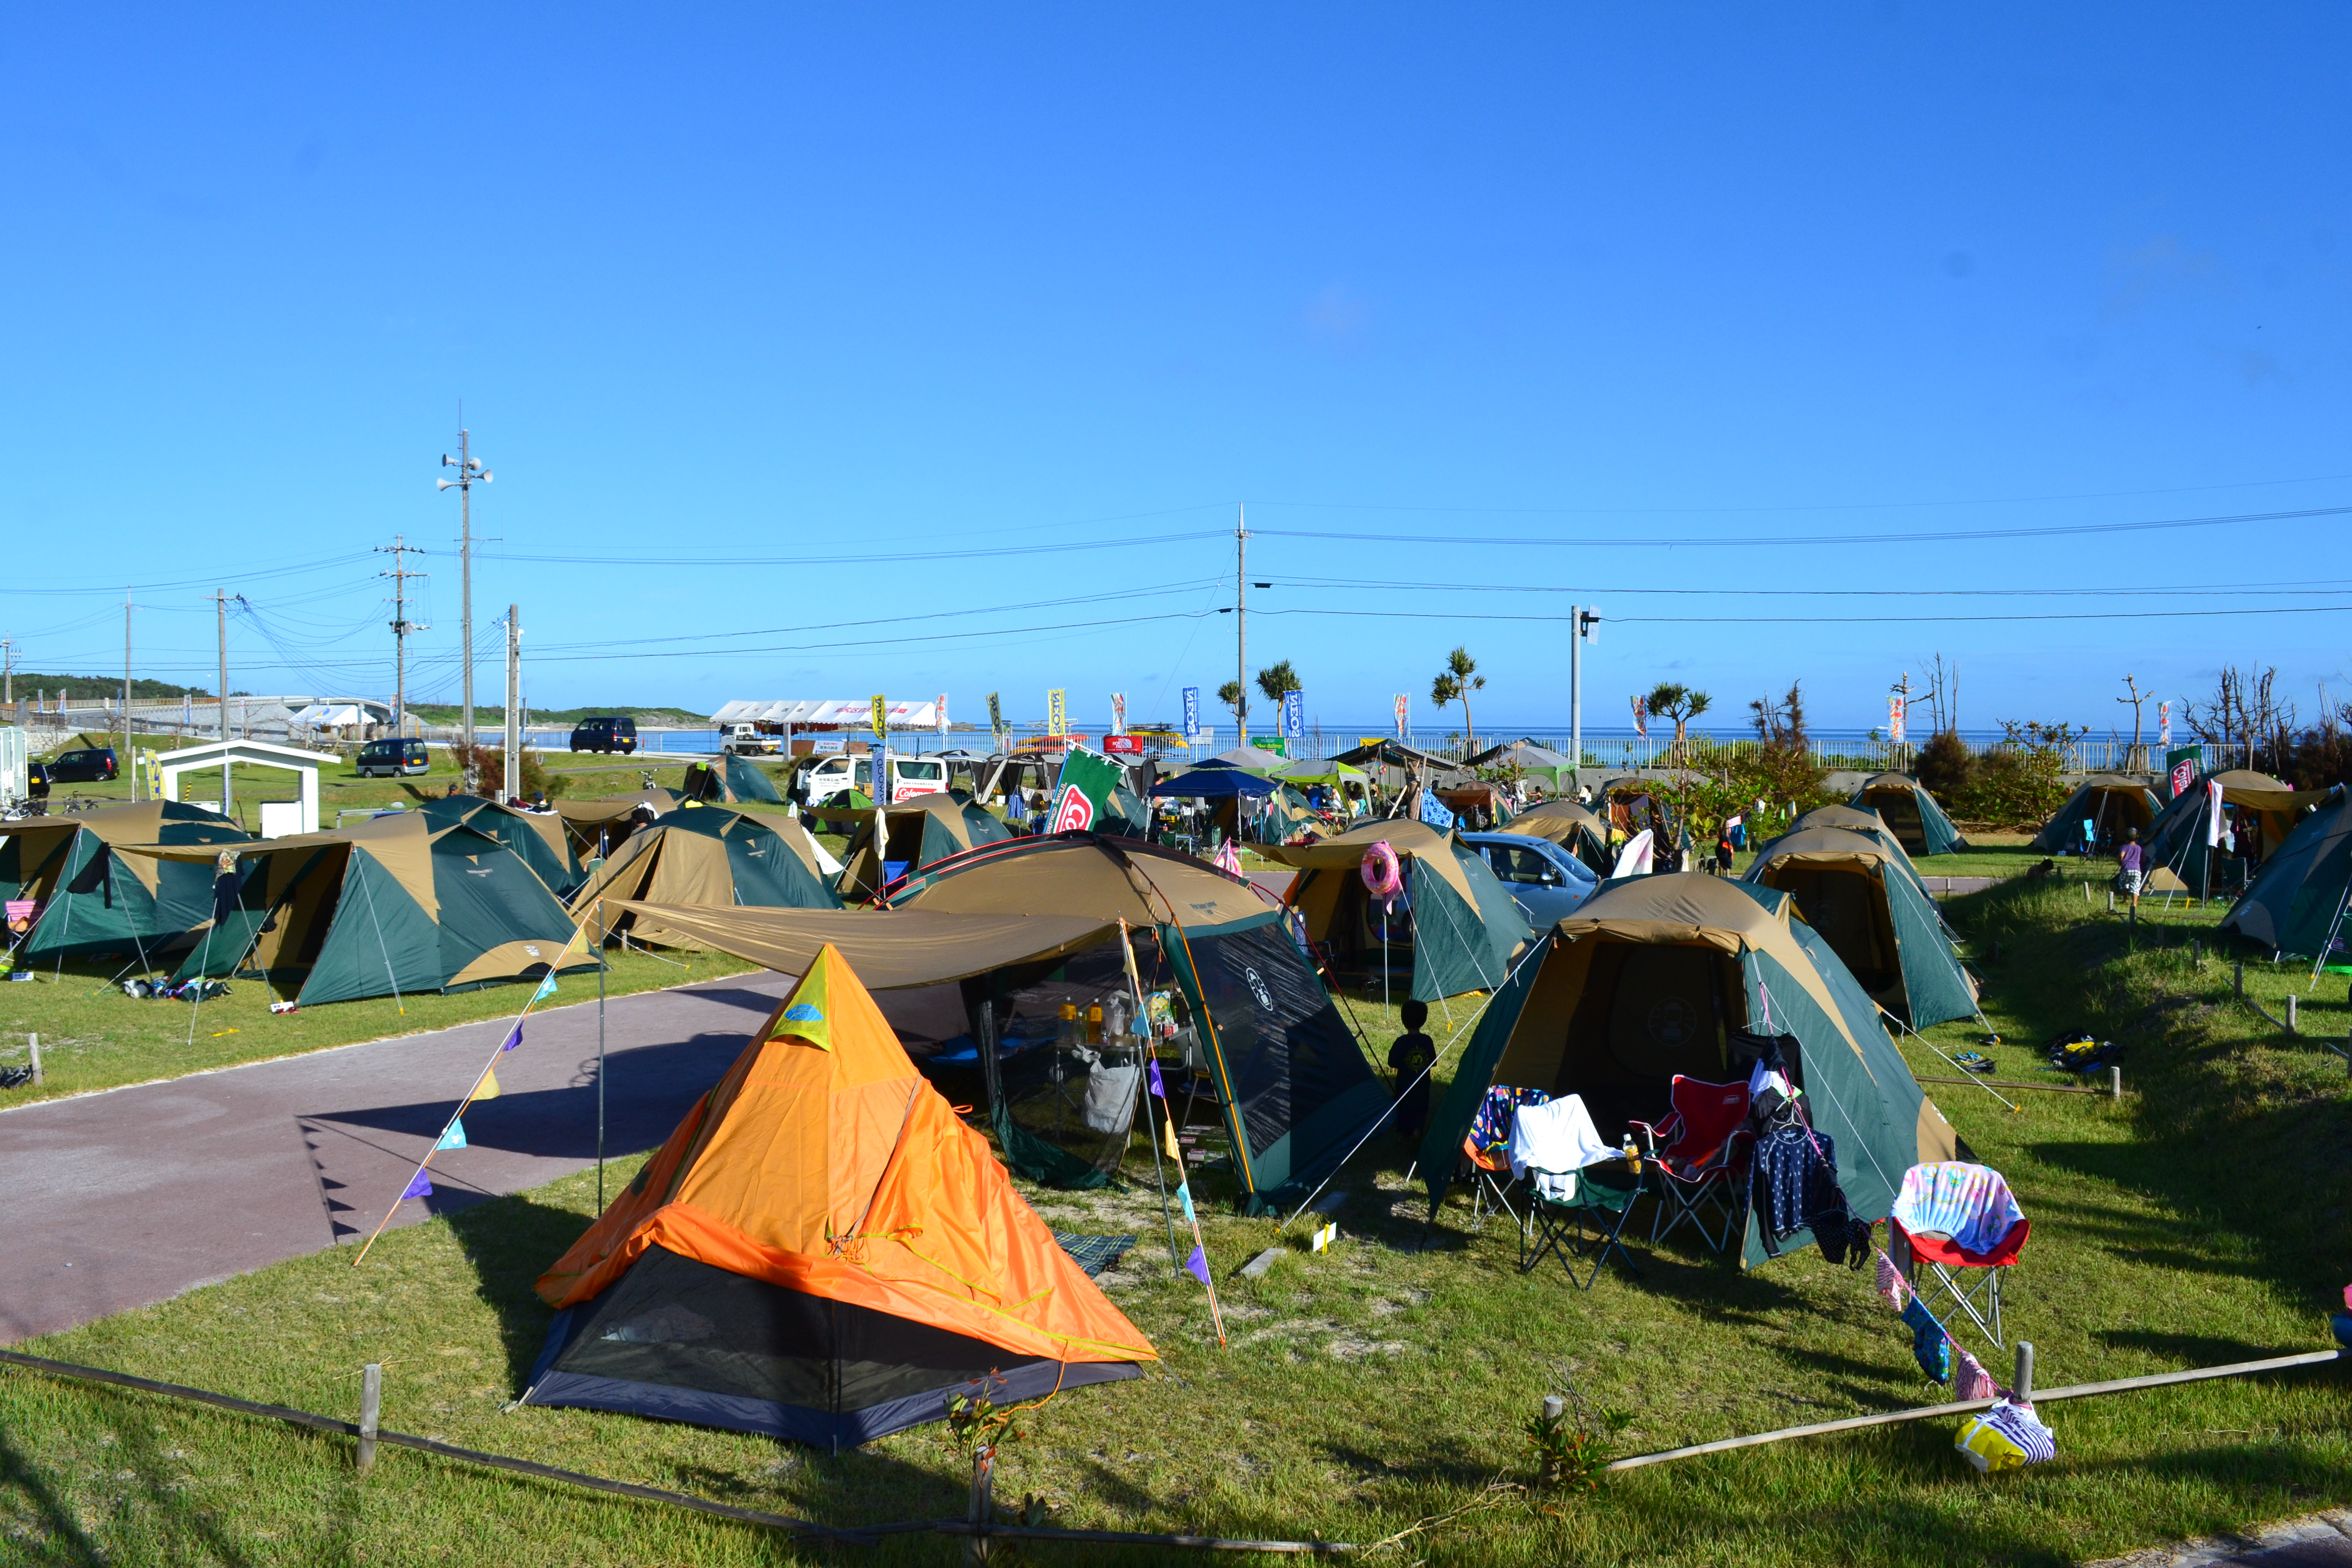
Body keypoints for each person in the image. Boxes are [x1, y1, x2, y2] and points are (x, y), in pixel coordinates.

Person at [1388, 999, 1437, 1143]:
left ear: (1403, 1021)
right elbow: (1432, 1062)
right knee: (1421, 1108)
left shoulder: (1401, 1042)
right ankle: (1417, 1130)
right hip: (1423, 1085)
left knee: (1405, 1108)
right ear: (1424, 1020)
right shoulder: (1427, 1041)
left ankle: (1405, 1134)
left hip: (1404, 1084)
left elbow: (1392, 1062)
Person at [2118, 826, 2145, 912]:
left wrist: (2119, 861)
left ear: (2126, 837)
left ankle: (2125, 899)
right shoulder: (2139, 848)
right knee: (2136, 885)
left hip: (2126, 869)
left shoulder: (2125, 847)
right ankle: (2134, 902)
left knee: (2123, 883)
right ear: (2137, 837)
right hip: (2137, 870)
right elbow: (2143, 859)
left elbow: (2121, 856)